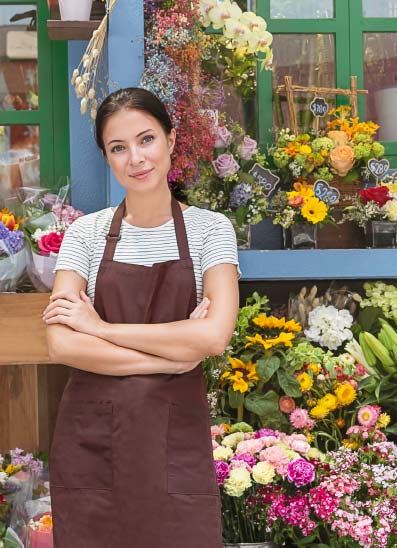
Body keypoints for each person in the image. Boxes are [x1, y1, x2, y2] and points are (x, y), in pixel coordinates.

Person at [42, 87, 239, 548]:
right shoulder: (84, 235)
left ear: (171, 140)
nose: (136, 158)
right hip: (92, 448)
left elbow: (212, 337)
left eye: (146, 139)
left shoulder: (210, 230)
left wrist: (101, 329)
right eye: (118, 147)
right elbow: (62, 345)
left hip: (175, 448)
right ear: (107, 158)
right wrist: (172, 358)